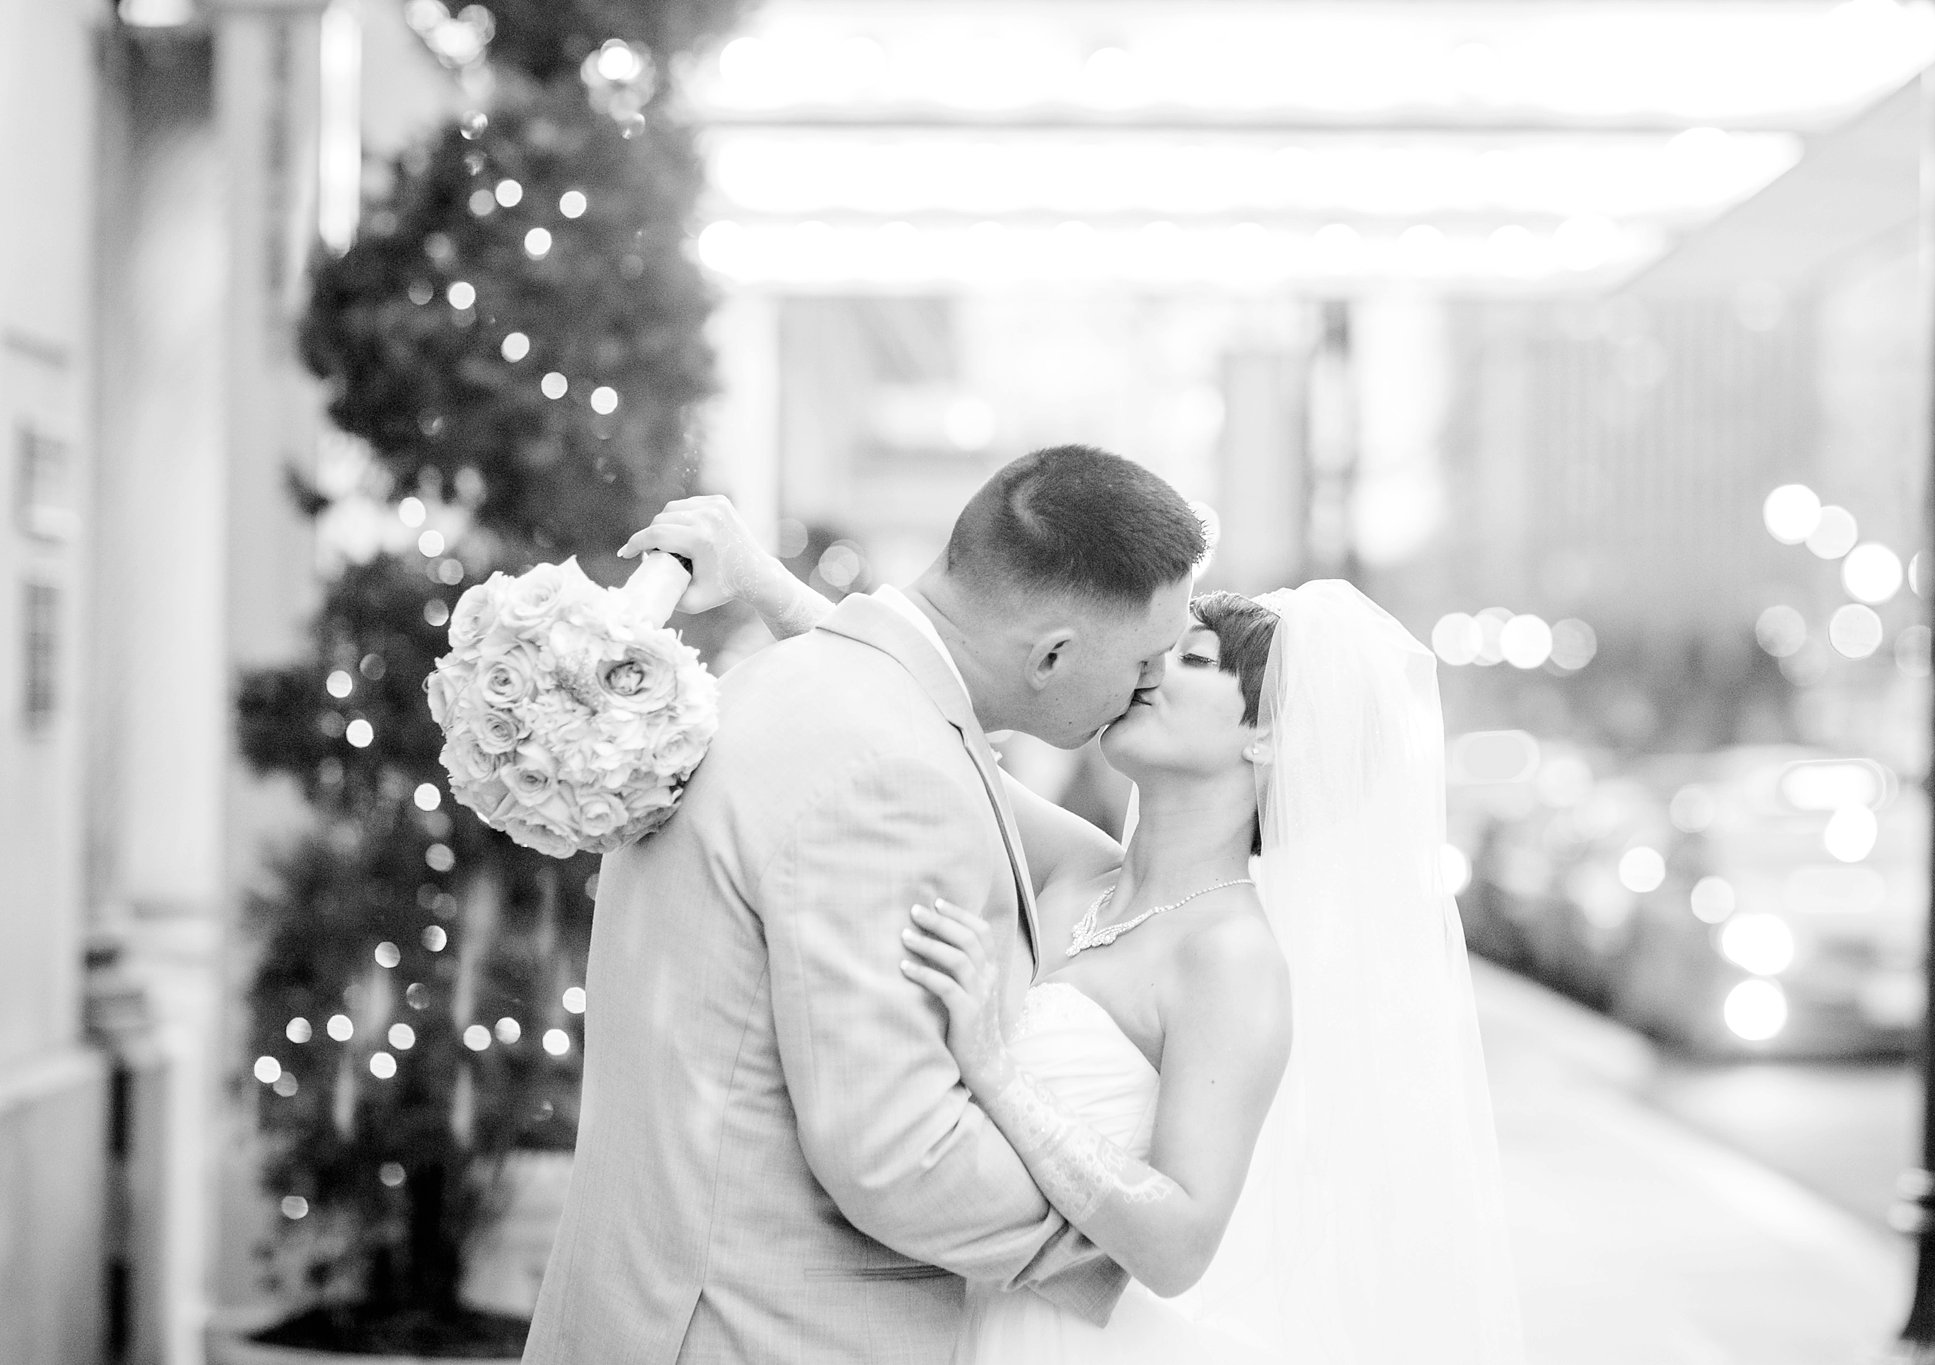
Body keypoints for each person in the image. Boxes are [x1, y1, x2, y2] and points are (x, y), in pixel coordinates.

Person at [622, 492, 1526, 1363]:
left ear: (1270, 738)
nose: (1146, 673)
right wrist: (759, 579)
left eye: (1192, 660)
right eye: (1153, 651)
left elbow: (1179, 1245)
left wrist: (996, 1072)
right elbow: (911, 706)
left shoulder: (1235, 958)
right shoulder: (1079, 866)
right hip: (929, 1316)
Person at [521, 445, 1209, 1365]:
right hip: (758, 1329)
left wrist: (769, 584)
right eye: (1145, 659)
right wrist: (1123, 1251)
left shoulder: (793, 686)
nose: (1146, 687)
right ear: (1052, 652)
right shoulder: (893, 772)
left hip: (656, 1302)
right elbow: (898, 1156)